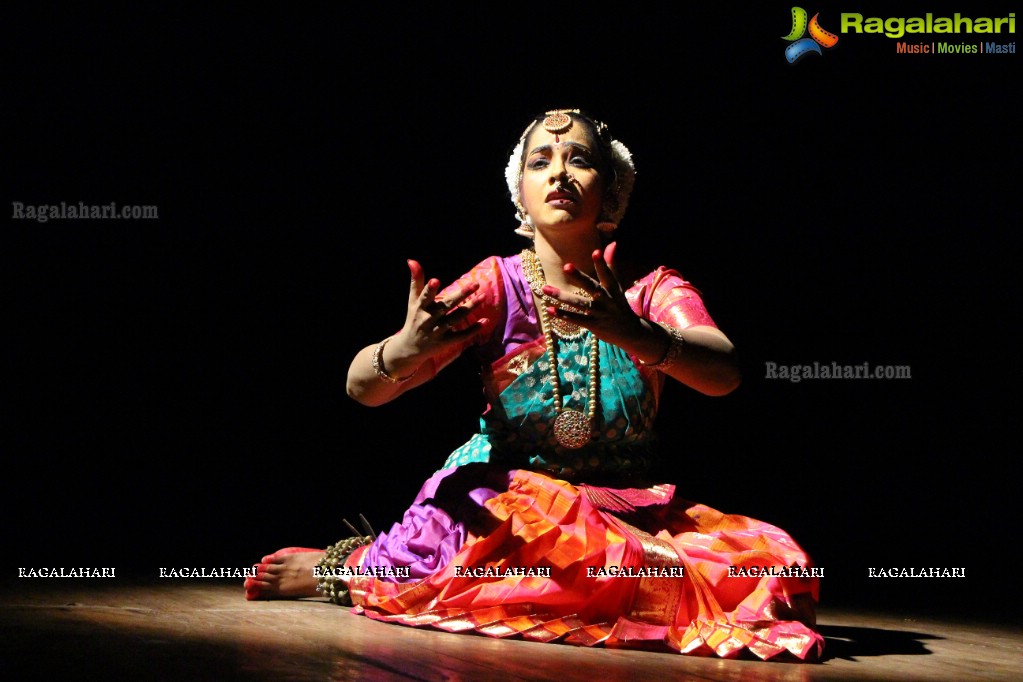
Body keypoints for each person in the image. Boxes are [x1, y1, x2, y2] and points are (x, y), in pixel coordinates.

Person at [245, 109, 823, 661]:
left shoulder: (650, 293)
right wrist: (405, 349)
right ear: (520, 192)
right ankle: (348, 567)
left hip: (623, 512)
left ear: (612, 190)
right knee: (539, 530)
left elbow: (724, 371)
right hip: (508, 504)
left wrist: (636, 334)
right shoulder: (499, 285)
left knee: (772, 568)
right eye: (541, 161)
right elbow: (362, 389)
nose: (560, 173)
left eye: (579, 159)